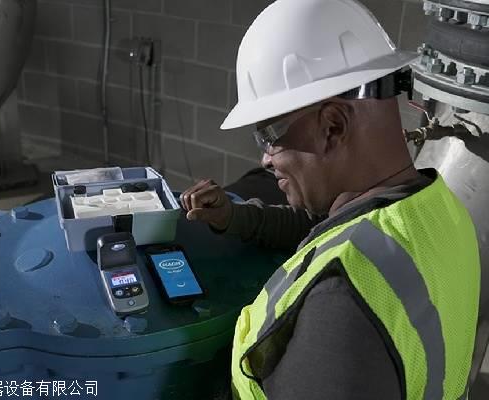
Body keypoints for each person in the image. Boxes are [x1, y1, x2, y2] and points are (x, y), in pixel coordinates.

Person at [180, 0, 480, 399]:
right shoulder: (441, 210)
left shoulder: (339, 304)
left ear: (333, 126)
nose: (265, 159)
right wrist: (234, 218)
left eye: (269, 135)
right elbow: (324, 230)